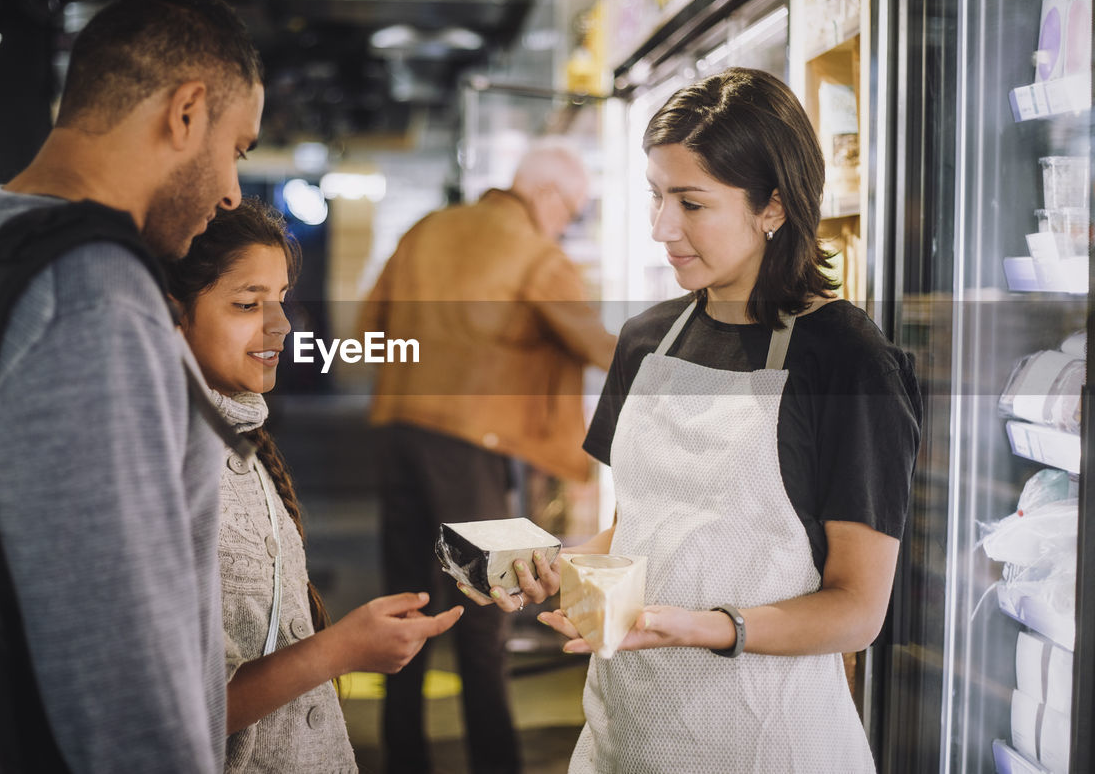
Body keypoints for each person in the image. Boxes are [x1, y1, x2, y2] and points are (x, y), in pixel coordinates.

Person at [483, 67, 922, 773]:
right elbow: (641, 526)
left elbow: (856, 609)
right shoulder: (646, 339)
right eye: (656, 196)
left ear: (772, 206)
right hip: (625, 730)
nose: (662, 228)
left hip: (766, 742)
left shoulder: (848, 362)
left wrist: (708, 628)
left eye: (691, 202)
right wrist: (556, 566)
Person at [0, 0, 265, 772]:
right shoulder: (90, 295)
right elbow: (115, 660)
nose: (231, 190)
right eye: (238, 147)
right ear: (186, 112)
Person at [164, 200, 463, 773]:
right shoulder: (159, 466)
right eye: (248, 304)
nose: (280, 325)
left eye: (280, 300)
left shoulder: (240, 442)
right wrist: (342, 649)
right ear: (173, 314)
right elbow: (174, 713)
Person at [358, 142, 617, 774]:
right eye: (573, 213)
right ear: (550, 197)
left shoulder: (428, 229)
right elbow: (595, 346)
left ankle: (403, 760)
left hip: (398, 431)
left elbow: (368, 320)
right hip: (473, 449)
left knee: (405, 603)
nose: (567, 225)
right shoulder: (536, 255)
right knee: (484, 617)